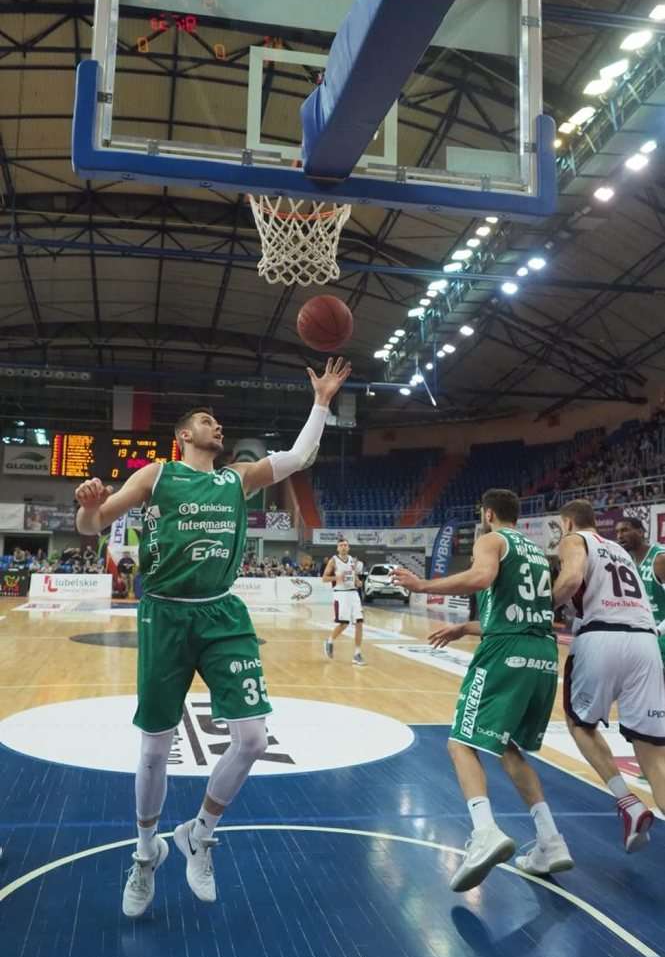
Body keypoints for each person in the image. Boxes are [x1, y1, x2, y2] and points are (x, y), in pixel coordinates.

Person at [74, 357, 351, 919]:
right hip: (165, 616)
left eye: (217, 422)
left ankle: (200, 833)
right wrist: (86, 508)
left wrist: (321, 401)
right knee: (154, 747)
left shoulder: (237, 479)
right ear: (183, 436)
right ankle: (145, 852)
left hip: (222, 615)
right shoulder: (156, 475)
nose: (216, 426)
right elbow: (93, 525)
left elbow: (299, 457)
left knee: (252, 740)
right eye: (206, 420)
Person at [394, 489, 573, 891]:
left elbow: (482, 578)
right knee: (509, 749)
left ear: (488, 513)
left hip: (506, 653)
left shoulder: (492, 539)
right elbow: (522, 610)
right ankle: (550, 841)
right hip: (543, 654)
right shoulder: (537, 552)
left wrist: (423, 586)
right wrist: (464, 626)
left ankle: (485, 832)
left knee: (460, 744)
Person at [555, 499, 665, 853]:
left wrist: (538, 609)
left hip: (601, 635)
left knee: (579, 724)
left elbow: (571, 579)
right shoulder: (620, 550)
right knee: (653, 756)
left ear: (568, 523)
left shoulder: (574, 541)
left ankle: (629, 803)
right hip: (646, 644)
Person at [616, 517, 665, 669]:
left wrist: (657, 631)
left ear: (641, 532)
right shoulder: (625, 561)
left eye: (625, 530)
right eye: (617, 532)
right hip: (642, 638)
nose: (619, 536)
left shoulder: (660, 559)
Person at [322, 538, 366, 666]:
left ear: (349, 547)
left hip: (353, 593)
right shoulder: (333, 560)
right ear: (337, 548)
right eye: (341, 545)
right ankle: (329, 640)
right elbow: (324, 578)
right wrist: (337, 577)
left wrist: (357, 581)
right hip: (340, 594)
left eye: (345, 545)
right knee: (344, 624)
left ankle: (357, 653)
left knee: (359, 622)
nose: (343, 547)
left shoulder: (352, 560)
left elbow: (354, 575)